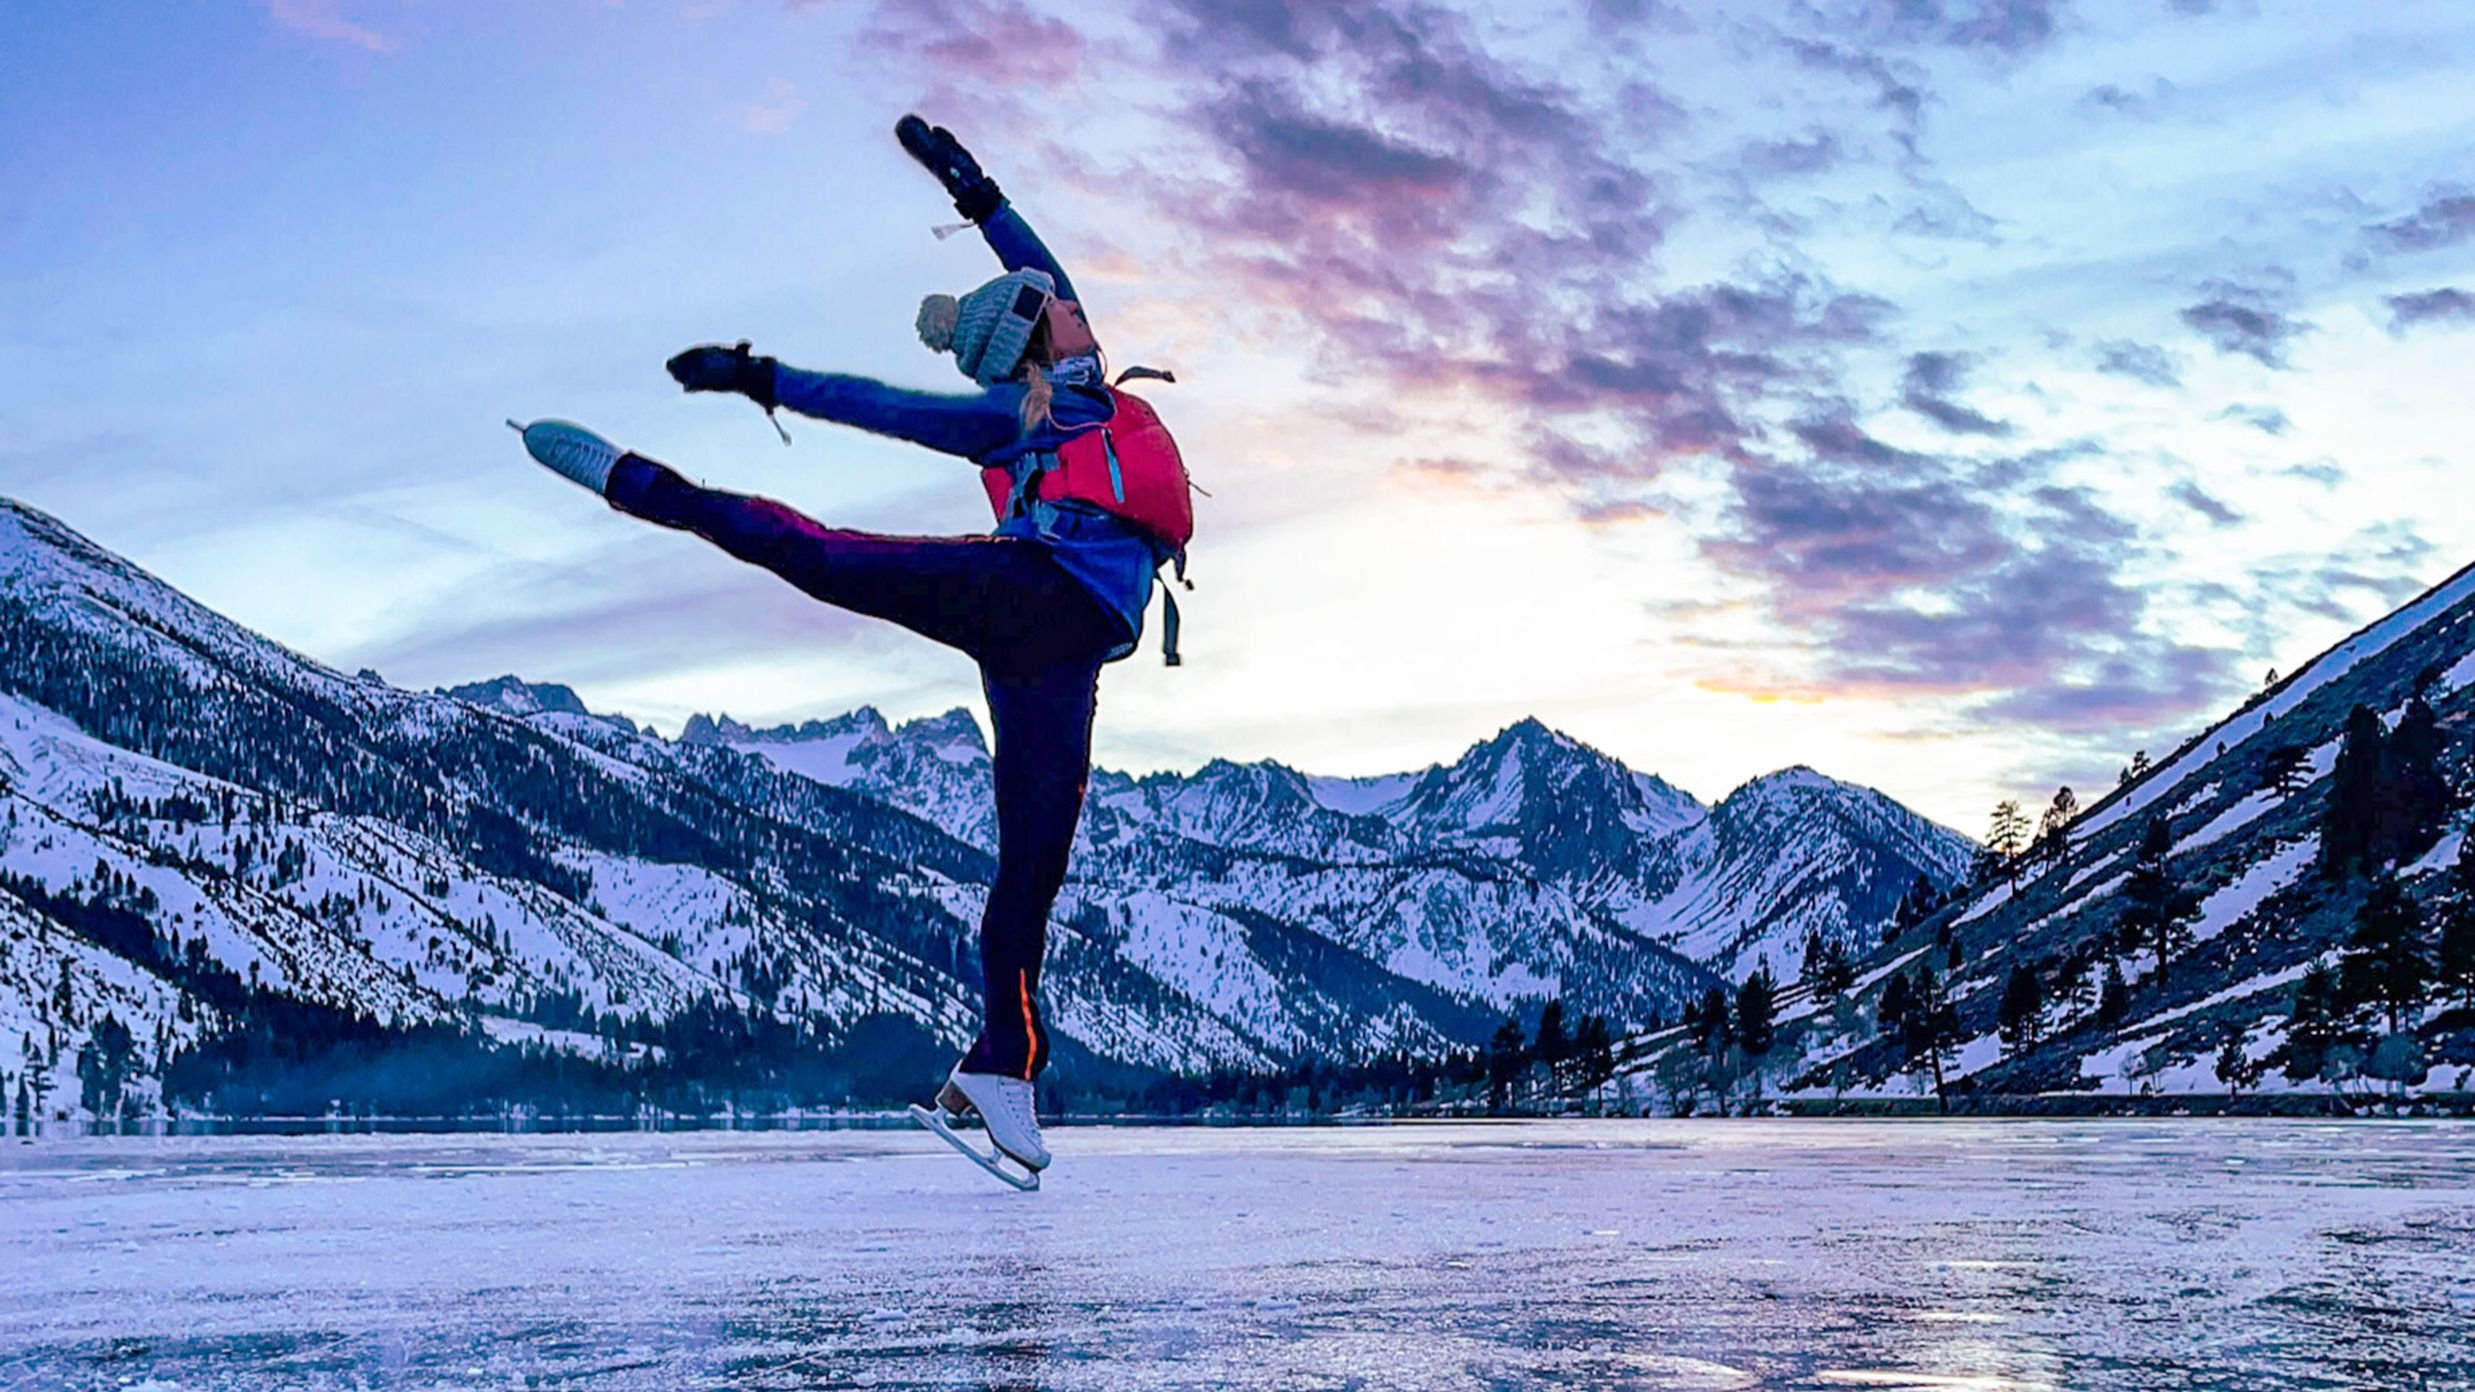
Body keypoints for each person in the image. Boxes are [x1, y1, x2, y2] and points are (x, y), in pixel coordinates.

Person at [511, 117, 1186, 1182]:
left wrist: (968, 185)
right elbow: (877, 405)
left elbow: (1029, 257)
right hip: (1021, 593)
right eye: (1057, 301)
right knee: (826, 556)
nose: (1068, 294)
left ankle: (1002, 1065)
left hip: (1060, 660)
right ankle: (642, 486)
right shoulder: (1018, 419)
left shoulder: (1086, 368)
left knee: (1032, 870)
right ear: (1036, 339)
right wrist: (764, 378)